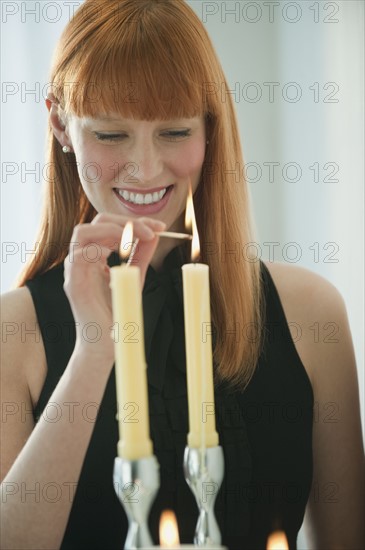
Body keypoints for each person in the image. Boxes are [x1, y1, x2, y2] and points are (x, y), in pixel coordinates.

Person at [1, 0, 364, 549]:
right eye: (111, 134)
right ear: (60, 124)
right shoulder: (13, 333)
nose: (145, 168)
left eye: (174, 132)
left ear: (210, 128)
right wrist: (94, 349)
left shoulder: (312, 312)